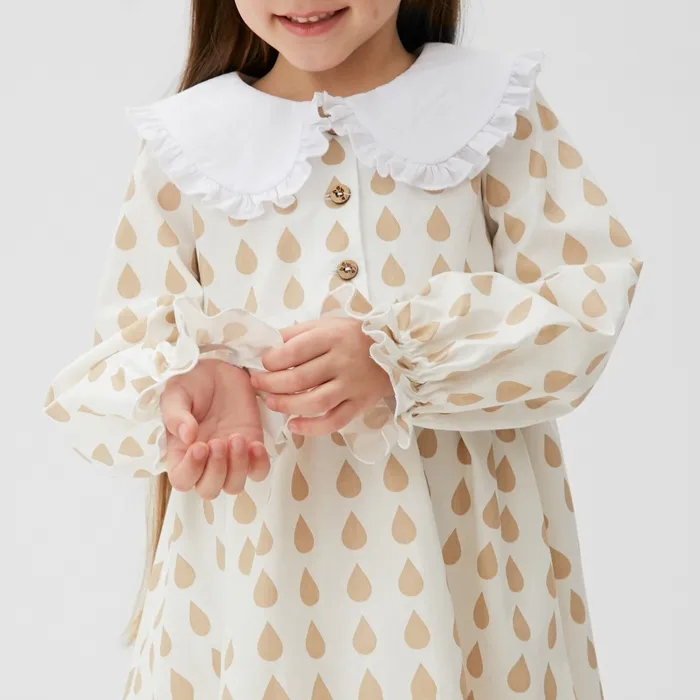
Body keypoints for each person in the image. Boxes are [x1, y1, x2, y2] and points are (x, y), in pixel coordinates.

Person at [43, 1, 643, 698]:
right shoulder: (187, 142)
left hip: (464, 573)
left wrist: (402, 359)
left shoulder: (490, 109)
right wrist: (187, 385)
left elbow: (583, 304)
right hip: (253, 589)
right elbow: (122, 348)